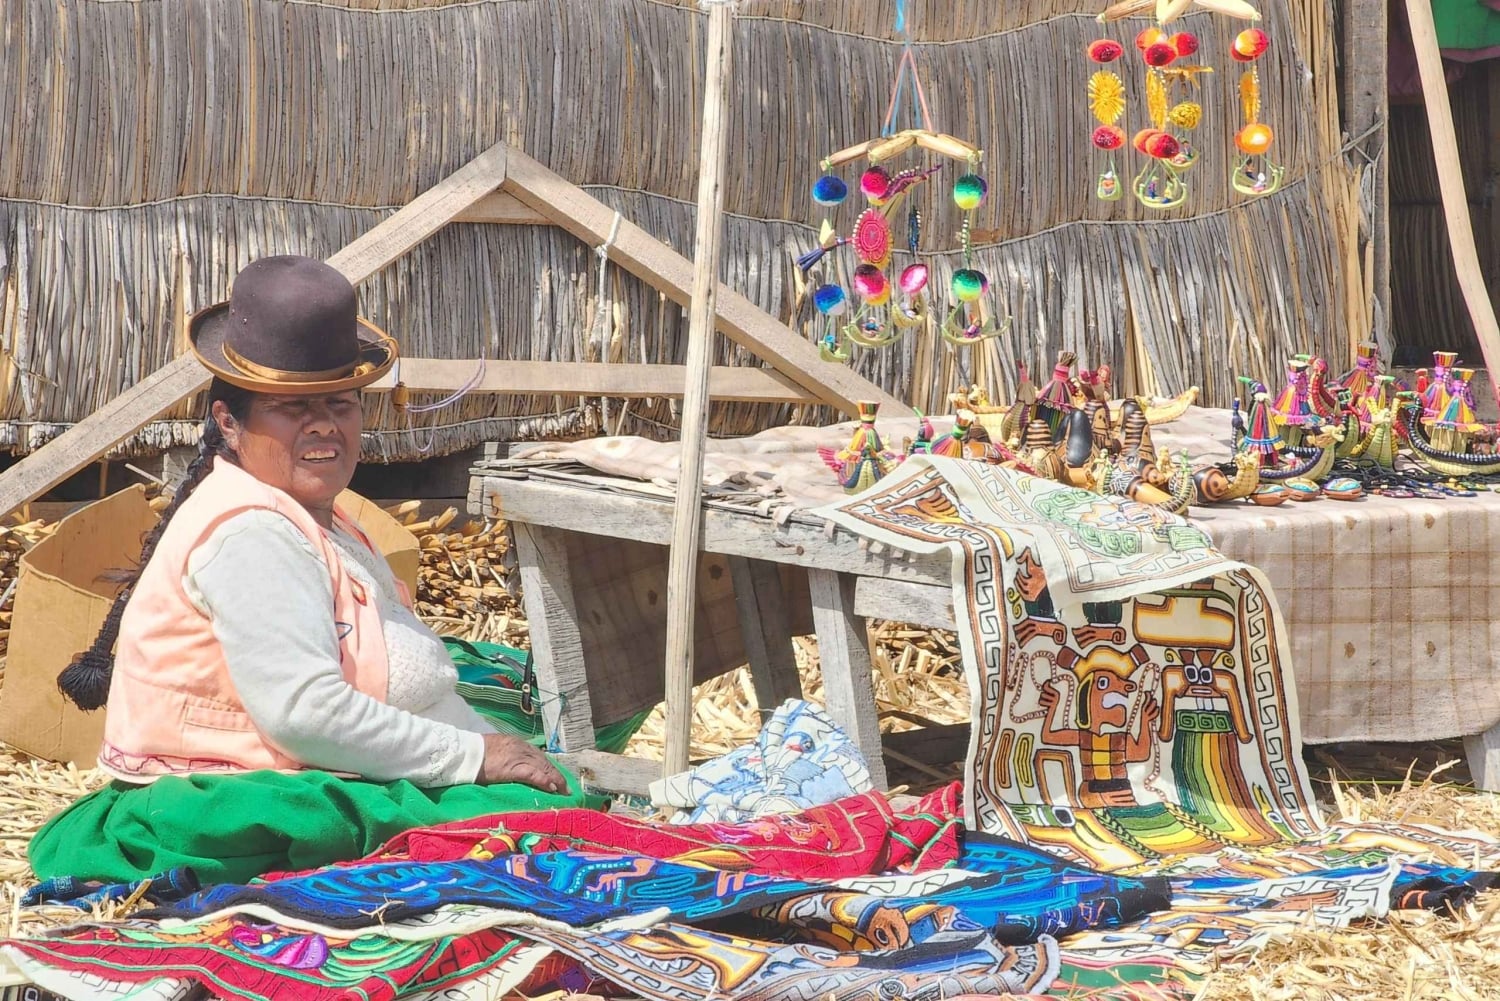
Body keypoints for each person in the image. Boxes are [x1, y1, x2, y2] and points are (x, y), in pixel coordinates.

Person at [30, 256, 591, 887]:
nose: (324, 423)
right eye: (292, 407)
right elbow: (303, 714)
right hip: (244, 801)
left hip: (319, 771)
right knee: (551, 825)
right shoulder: (251, 535)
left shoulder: (311, 515)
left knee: (553, 775)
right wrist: (473, 756)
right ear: (228, 422)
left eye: (341, 404)